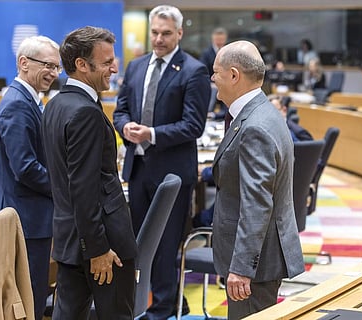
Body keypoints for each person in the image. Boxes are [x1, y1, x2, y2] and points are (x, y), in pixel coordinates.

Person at [113, 5, 210, 319]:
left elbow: (194, 125)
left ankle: (164, 309)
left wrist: (151, 134)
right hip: (138, 169)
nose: (158, 38)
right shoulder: (137, 65)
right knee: (140, 243)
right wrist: (125, 126)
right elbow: (121, 110)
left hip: (172, 173)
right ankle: (156, 301)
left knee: (166, 245)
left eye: (166, 33)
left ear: (179, 33)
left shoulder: (193, 71)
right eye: (154, 32)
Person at [41, 26, 138, 320]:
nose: (115, 67)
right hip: (101, 245)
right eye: (107, 61)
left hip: (70, 240)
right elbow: (83, 187)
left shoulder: (55, 104)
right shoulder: (85, 111)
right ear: (82, 65)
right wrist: (98, 249)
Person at [210, 40, 305, 319]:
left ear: (234, 75)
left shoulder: (255, 128)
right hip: (262, 256)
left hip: (256, 263)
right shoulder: (263, 111)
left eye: (216, 72)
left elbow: (257, 204)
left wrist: (241, 267)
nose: (213, 79)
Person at [0, 36, 60, 320]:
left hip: (25, 217)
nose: (53, 72)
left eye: (57, 67)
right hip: (23, 220)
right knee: (28, 300)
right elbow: (25, 168)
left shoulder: (28, 99)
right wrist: (62, 189)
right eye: (48, 65)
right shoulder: (18, 104)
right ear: (23, 63)